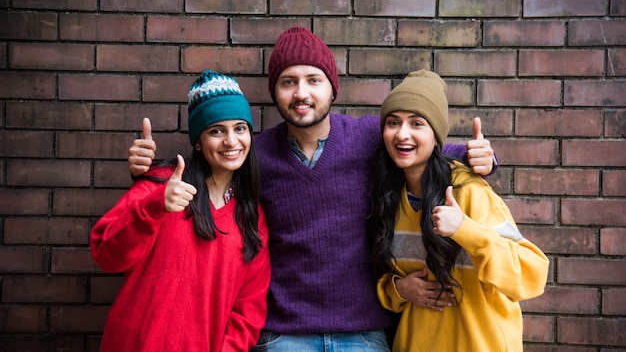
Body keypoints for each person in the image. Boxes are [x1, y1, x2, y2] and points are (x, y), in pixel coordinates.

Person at [127, 27, 497, 351]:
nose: (301, 92)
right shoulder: (255, 153)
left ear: (331, 89)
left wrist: (482, 158)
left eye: (313, 80)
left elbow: (428, 149)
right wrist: (145, 171)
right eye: (288, 82)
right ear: (276, 92)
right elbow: (204, 170)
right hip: (282, 333)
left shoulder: (369, 136)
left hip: (363, 331)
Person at [369, 69, 549, 352]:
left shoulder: (469, 193)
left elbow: (532, 275)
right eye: (393, 122)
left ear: (436, 135)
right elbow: (383, 279)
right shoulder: (389, 200)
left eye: (417, 123)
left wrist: (466, 230)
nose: (402, 133)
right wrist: (398, 289)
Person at [91, 71, 271, 352]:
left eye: (240, 128)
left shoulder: (252, 216)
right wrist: (155, 205)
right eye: (216, 130)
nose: (231, 141)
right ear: (197, 141)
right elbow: (107, 254)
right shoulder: (163, 182)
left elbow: (248, 310)